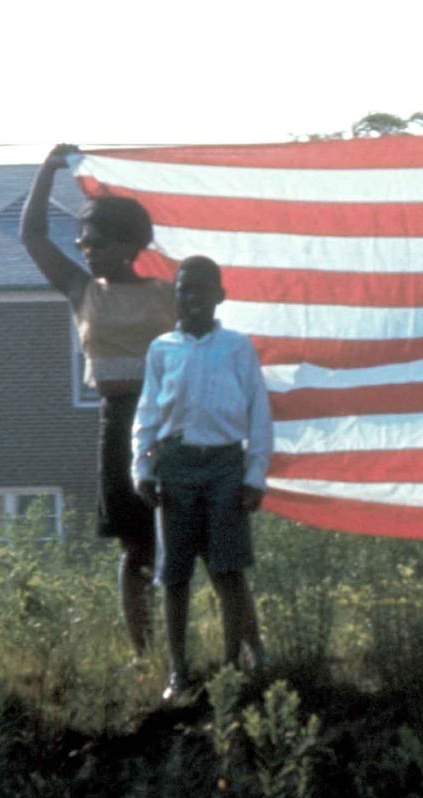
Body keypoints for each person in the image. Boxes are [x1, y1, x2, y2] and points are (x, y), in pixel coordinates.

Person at [21, 144, 176, 659]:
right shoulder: (81, 290)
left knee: (179, 542)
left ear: (131, 244)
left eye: (97, 240)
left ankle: (182, 650)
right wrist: (46, 171)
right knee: (136, 545)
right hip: (118, 424)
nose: (86, 248)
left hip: (171, 423)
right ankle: (144, 653)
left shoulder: (167, 293)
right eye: (83, 240)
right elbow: (33, 236)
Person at [132, 256, 272, 702]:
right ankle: (179, 671)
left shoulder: (236, 347)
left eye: (201, 290)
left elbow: (259, 414)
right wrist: (143, 466)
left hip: (226, 466)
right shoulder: (162, 350)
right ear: (175, 296)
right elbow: (149, 415)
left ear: (219, 296)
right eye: (183, 290)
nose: (192, 299)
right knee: (174, 574)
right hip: (176, 465)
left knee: (228, 568)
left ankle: (233, 668)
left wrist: (255, 475)